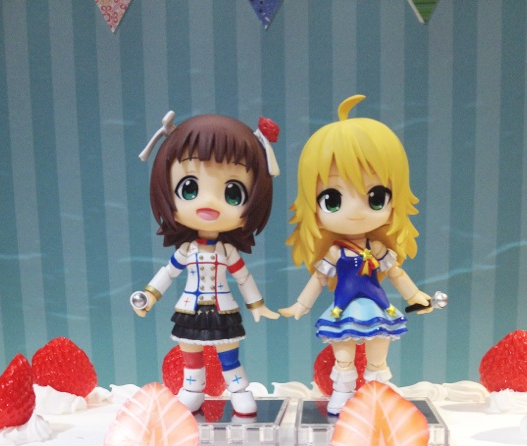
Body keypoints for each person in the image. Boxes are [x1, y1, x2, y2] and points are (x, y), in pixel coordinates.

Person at [280, 95, 432, 414]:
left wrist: (416, 296)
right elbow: (318, 279)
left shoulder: (377, 249)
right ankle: (343, 393)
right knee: (344, 357)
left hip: (378, 308)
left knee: (378, 358)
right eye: (333, 199)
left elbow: (397, 273)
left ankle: (377, 396)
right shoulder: (335, 252)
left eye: (375, 197)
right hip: (343, 310)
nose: (354, 211)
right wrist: (300, 305)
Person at [133, 111, 280, 415]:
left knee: (228, 351)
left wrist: (257, 305)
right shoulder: (186, 250)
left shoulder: (227, 252)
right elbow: (168, 273)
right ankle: (192, 390)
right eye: (189, 189)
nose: (209, 202)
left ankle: (238, 389)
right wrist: (148, 296)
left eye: (232, 193)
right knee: (190, 351)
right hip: (189, 308)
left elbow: (243, 277)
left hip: (223, 309)